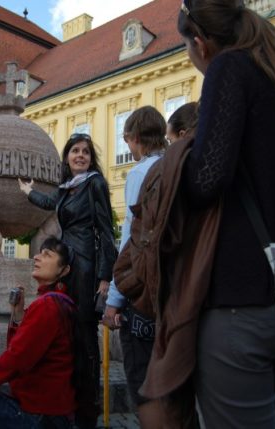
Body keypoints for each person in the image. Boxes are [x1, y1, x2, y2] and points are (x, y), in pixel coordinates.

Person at [177, 0, 275, 427]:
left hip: (242, 300)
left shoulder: (229, 68)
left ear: (200, 42)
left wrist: (177, 167)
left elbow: (208, 178)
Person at [18, 133, 117, 428]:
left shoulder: (94, 183)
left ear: (91, 158)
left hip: (86, 264)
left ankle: (88, 409)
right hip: (68, 264)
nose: (80, 155)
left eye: (85, 151)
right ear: (67, 157)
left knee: (85, 334)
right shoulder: (67, 188)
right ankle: (70, 401)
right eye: (75, 151)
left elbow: (106, 231)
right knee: (69, 330)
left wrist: (104, 276)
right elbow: (50, 202)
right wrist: (28, 191)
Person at [101, 106, 167, 427]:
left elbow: (131, 241)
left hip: (143, 294)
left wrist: (114, 299)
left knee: (143, 384)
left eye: (126, 140)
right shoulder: (178, 164)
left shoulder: (141, 173)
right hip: (176, 292)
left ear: (135, 138)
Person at [0, 237, 86, 429]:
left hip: (40, 416)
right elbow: (28, 351)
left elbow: (16, 359)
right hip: (57, 413)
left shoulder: (47, 306)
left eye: (47, 255)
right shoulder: (61, 302)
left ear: (64, 270)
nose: (36, 257)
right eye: (39, 252)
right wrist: (19, 314)